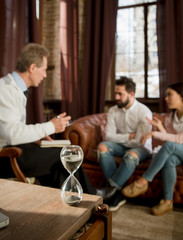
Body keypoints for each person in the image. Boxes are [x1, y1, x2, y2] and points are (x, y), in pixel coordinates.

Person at [0, 43, 95, 194]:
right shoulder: (5, 89)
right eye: (43, 69)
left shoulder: (14, 87)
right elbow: (12, 135)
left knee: (61, 166)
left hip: (13, 149)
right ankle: (92, 200)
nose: (45, 75)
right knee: (65, 155)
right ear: (32, 68)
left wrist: (37, 136)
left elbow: (12, 129)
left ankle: (72, 206)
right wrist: (50, 126)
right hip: (5, 156)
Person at [122, 82, 183, 216]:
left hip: (179, 147)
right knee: (169, 160)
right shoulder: (170, 117)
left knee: (169, 147)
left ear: (181, 96)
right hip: (178, 152)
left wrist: (154, 133)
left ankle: (144, 181)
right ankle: (167, 202)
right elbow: (170, 138)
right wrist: (160, 127)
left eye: (169, 95)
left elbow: (179, 140)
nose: (166, 98)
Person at [96, 76, 152, 211]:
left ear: (131, 94)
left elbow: (139, 141)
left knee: (131, 155)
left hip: (141, 148)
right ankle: (117, 193)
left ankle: (111, 191)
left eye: (120, 93)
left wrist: (121, 137)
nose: (116, 97)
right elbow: (108, 136)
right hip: (121, 146)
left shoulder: (144, 112)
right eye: (115, 93)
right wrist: (128, 136)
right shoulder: (113, 110)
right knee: (102, 146)